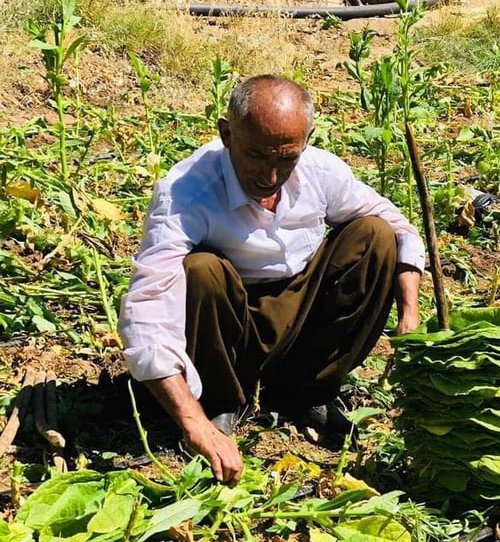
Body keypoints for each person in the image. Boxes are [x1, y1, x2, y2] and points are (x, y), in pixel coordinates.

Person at [119, 75, 424, 485]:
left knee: (374, 237)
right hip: (231, 317)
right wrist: (191, 420)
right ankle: (218, 400)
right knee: (201, 271)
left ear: (306, 140)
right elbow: (148, 306)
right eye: (256, 155)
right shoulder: (185, 192)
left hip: (300, 301)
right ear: (227, 134)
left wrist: (409, 314)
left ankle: (306, 390)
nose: (269, 174)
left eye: (285, 159)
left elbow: (400, 229)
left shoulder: (320, 171)